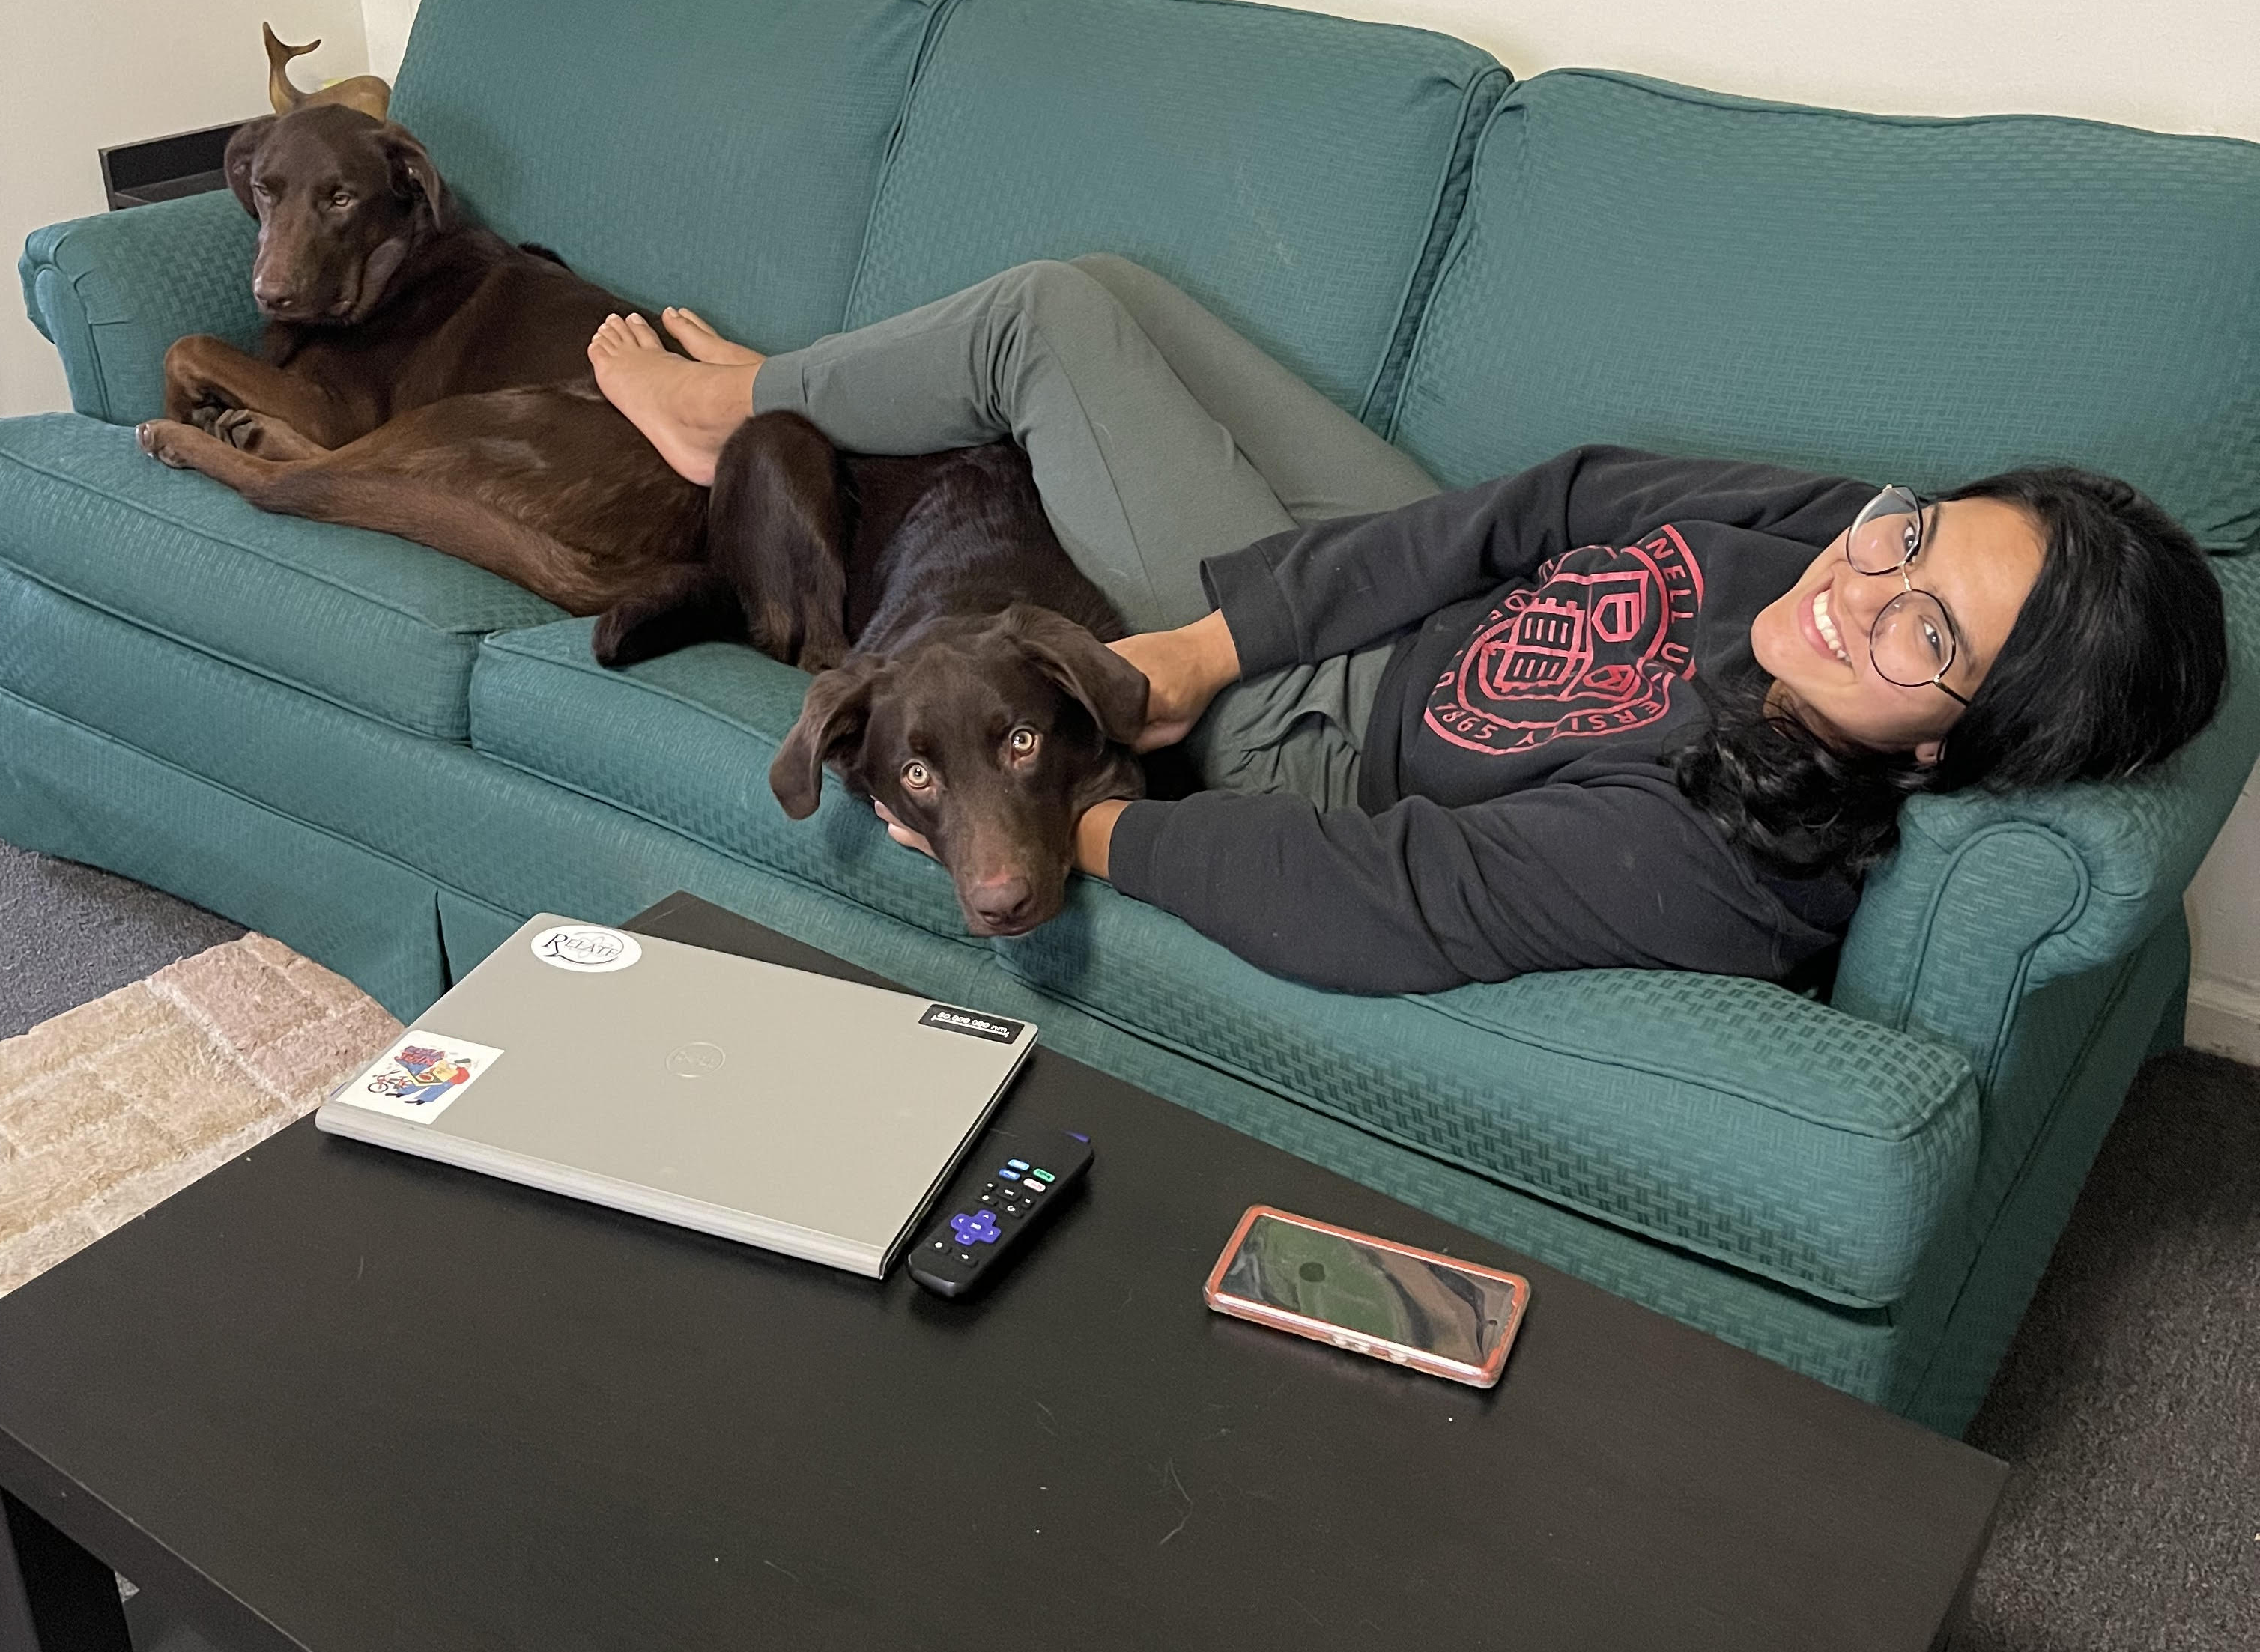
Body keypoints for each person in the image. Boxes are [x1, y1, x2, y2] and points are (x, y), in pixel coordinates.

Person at [585, 259, 2226, 997]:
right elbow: (1551, 504)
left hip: (1326, 732)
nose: (1864, 589)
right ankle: (757, 403)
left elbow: (1389, 901)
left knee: (1042, 325)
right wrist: (1211, 638)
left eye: (1926, 633)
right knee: (1106, 289)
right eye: (1918, 536)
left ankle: (725, 409)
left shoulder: (1728, 856)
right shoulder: (1841, 534)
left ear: (1955, 742)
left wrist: (1084, 824)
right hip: (1402, 581)